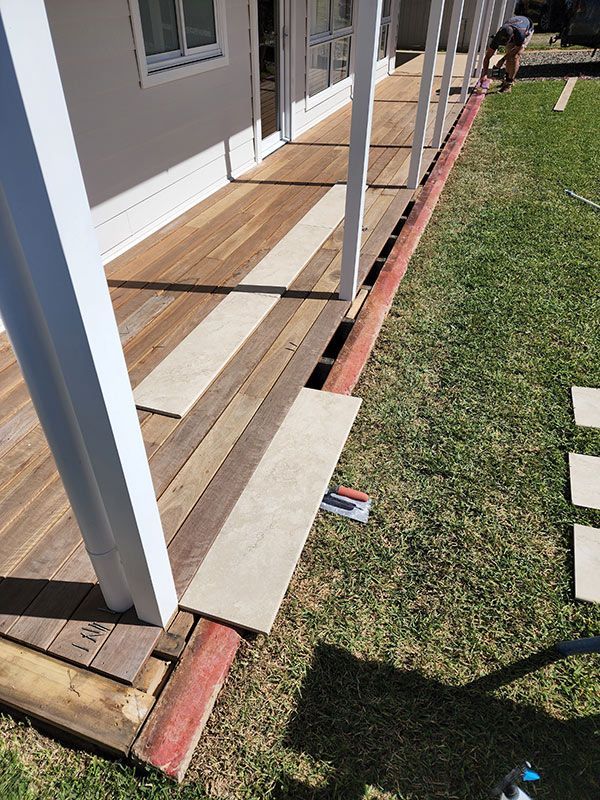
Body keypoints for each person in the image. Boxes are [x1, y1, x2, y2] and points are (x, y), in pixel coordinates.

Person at [479, 15, 534, 93]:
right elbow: (487, 56)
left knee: (515, 56)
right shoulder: (498, 36)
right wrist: (484, 74)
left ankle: (509, 83)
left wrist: (502, 60)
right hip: (514, 28)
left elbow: (516, 50)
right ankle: (507, 79)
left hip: (528, 27)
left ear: (512, 36)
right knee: (509, 53)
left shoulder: (520, 34)